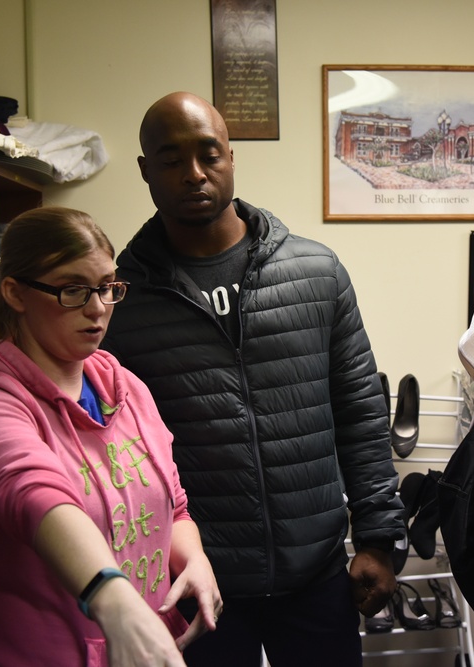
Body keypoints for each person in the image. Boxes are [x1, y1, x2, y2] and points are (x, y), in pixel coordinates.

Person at [100, 91, 405, 666]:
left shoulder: (316, 273)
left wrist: (378, 540)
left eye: (208, 154)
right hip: (195, 585)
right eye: (170, 159)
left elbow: (361, 412)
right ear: (145, 170)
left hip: (316, 575)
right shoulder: (119, 301)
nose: (193, 174)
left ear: (231, 157)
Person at [0, 207, 222, 666]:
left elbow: (174, 506)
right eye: (73, 290)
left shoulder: (125, 387)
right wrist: (114, 600)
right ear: (15, 292)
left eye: (108, 288)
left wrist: (193, 559)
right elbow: (37, 497)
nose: (96, 308)